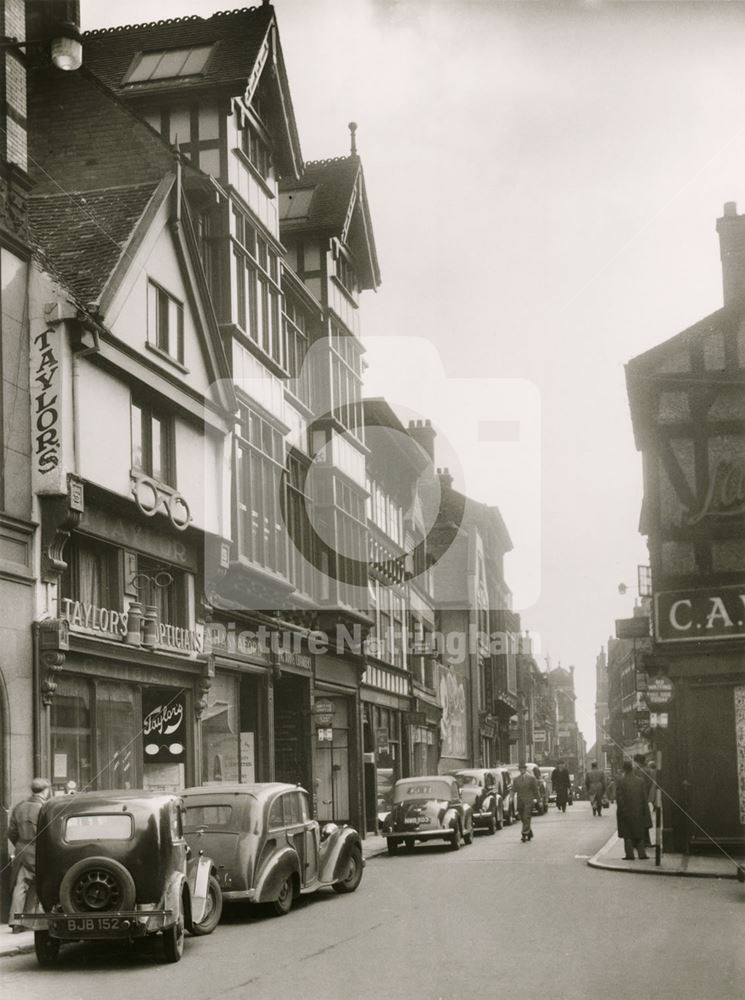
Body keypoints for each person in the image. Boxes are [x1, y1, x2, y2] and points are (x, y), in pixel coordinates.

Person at [8, 778, 51, 932]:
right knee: (40, 884)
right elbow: (49, 833)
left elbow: (11, 832)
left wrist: (20, 844)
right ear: (46, 791)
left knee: (20, 886)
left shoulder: (19, 807)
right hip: (38, 850)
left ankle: (16, 922)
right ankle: (36, 922)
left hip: (21, 849)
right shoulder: (44, 808)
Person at [616, 760, 649, 860]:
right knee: (639, 832)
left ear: (624, 769)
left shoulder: (621, 781)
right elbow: (644, 798)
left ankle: (630, 854)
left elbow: (619, 798)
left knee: (627, 834)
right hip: (638, 810)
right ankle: (642, 854)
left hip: (626, 811)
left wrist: (622, 810)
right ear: (632, 768)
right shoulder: (640, 781)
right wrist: (645, 811)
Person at [513, 761, 539, 842]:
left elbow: (535, 790)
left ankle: (524, 834)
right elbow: (514, 789)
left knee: (526, 816)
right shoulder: (516, 779)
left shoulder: (531, 779)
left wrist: (537, 799)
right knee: (522, 818)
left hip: (529, 801)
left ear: (525, 769)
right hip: (520, 801)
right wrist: (510, 796)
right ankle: (529, 832)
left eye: (523, 769)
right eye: (520, 769)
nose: (521, 770)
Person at [633, 754, 654, 847]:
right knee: (645, 819)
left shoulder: (636, 771)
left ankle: (638, 842)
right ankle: (647, 840)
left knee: (636, 819)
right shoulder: (648, 770)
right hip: (644, 796)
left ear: (637, 761)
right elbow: (649, 783)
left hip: (636, 797)